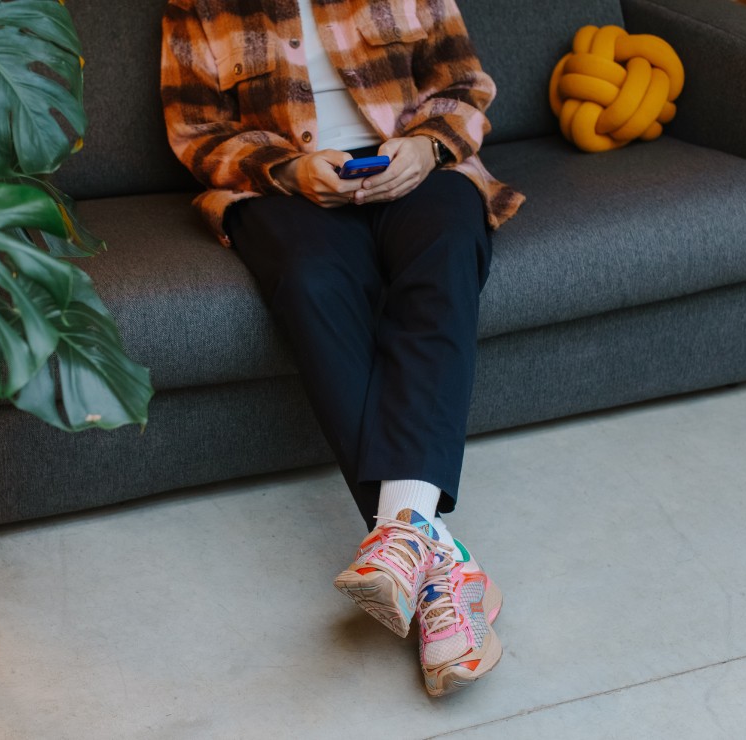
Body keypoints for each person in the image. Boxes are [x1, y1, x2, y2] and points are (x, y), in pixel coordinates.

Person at [161, 0, 524, 697]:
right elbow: (196, 132)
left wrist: (426, 147)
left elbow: (465, 85)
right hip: (288, 188)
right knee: (311, 281)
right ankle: (441, 572)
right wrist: (290, 170)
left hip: (419, 173)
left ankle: (409, 541)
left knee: (448, 245)